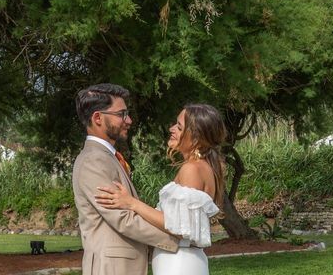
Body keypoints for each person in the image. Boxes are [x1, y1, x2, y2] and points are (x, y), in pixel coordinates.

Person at [95, 103, 226, 275]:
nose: (172, 129)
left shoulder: (192, 169)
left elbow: (179, 227)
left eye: (179, 127)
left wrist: (131, 203)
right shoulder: (203, 167)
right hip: (183, 260)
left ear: (196, 137)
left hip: (179, 263)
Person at [72, 83, 179, 275]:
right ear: (98, 118)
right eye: (121, 114)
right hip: (112, 267)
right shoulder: (93, 161)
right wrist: (178, 238)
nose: (128, 120)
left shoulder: (106, 157)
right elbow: (122, 218)